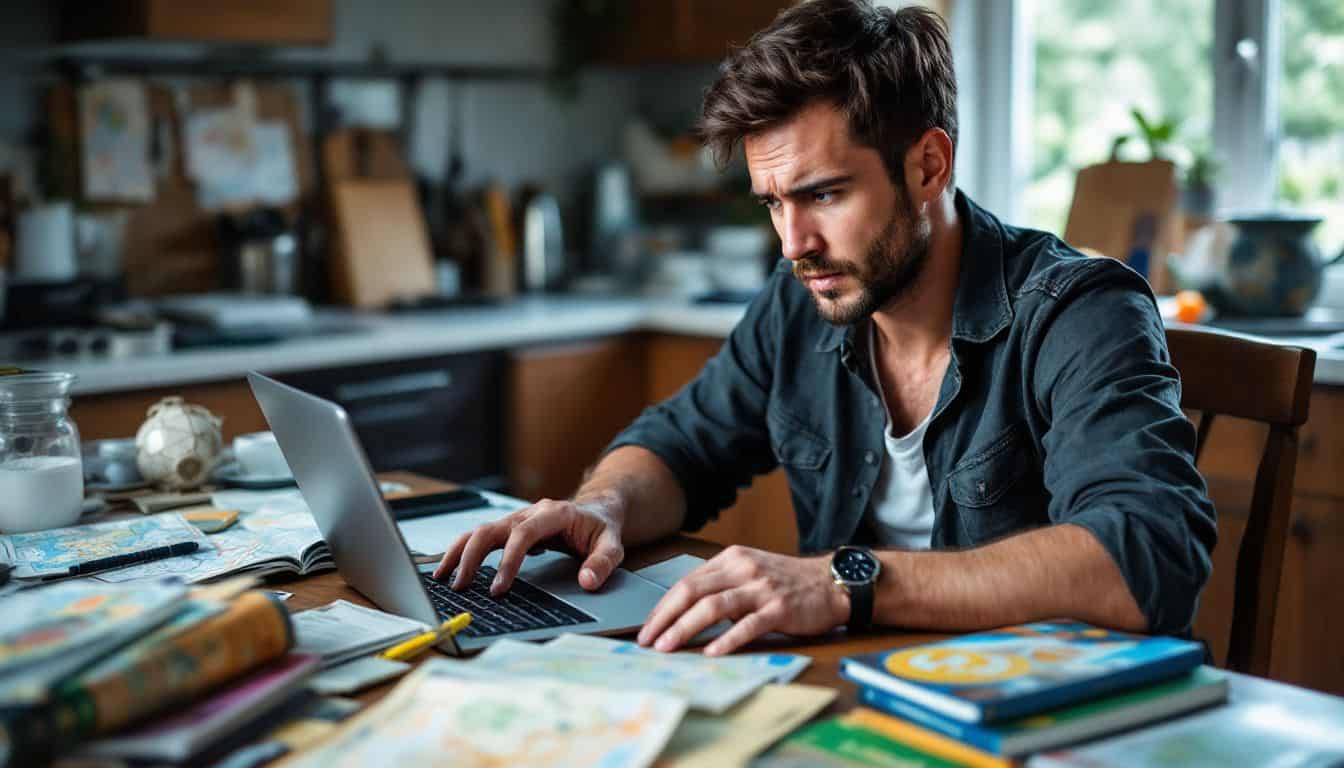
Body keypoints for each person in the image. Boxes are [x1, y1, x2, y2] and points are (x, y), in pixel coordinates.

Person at [435, 0, 1216, 657]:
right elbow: (682, 444)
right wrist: (603, 507)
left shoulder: (1079, 310)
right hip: (858, 689)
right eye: (774, 202)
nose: (793, 243)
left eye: (825, 195)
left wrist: (842, 581)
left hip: (1046, 713)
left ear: (928, 166)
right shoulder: (800, 299)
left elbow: (1143, 554)